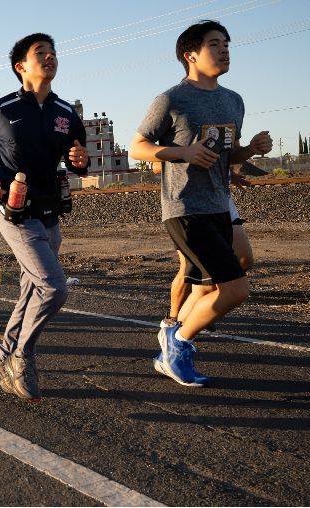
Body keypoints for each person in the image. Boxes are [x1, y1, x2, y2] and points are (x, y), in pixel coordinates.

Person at [131, 20, 272, 387]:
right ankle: (177, 343)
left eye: (226, 43)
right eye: (214, 44)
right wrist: (183, 152)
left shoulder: (233, 100)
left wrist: (250, 150)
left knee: (208, 287)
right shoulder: (171, 99)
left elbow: (227, 155)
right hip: (185, 207)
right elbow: (138, 147)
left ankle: (173, 337)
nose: (224, 49)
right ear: (190, 55)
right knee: (236, 289)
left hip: (219, 205)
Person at [0, 34, 90, 402]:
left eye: (53, 52)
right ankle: (21, 357)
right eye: (41, 53)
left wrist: (80, 162)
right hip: (15, 213)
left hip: (51, 215)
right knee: (53, 288)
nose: (50, 57)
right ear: (21, 66)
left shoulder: (65, 112)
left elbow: (78, 159)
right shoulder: (2, 108)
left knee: (33, 290)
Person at [153, 163, 255, 334]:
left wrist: (226, 172)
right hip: (190, 203)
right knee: (190, 268)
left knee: (244, 260)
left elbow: (224, 156)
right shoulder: (177, 145)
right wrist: (194, 156)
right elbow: (157, 165)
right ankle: (173, 320)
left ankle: (200, 311)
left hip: (221, 200)